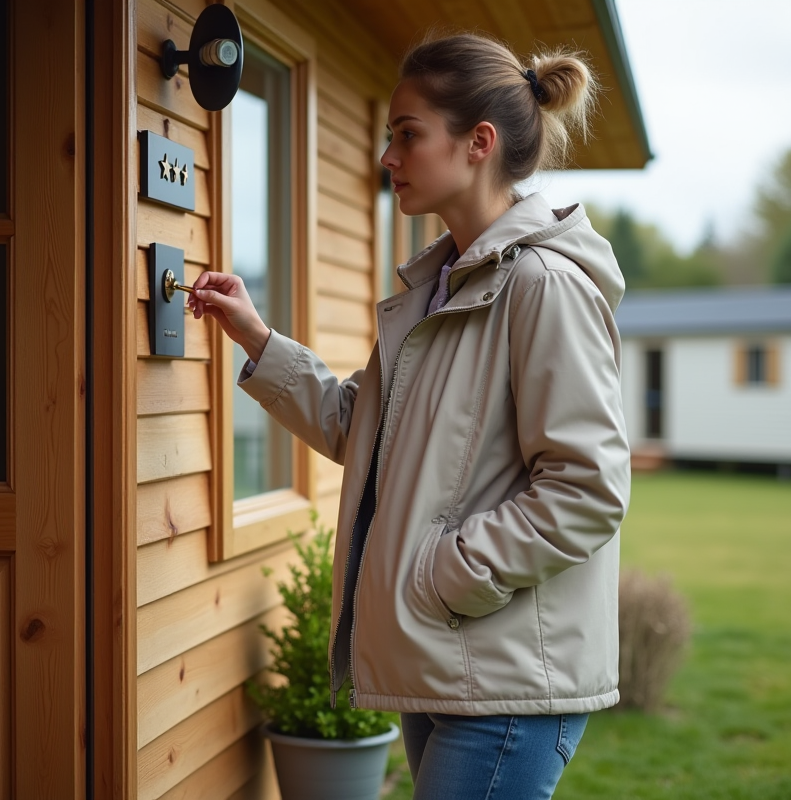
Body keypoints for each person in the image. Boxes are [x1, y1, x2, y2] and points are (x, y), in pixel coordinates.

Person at [187, 31, 630, 800]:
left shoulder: (543, 287)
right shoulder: (441, 291)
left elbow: (587, 488)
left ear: (478, 143)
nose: (388, 157)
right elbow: (365, 429)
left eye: (407, 134)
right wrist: (258, 340)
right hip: (445, 662)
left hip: (506, 681)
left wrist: (443, 575)